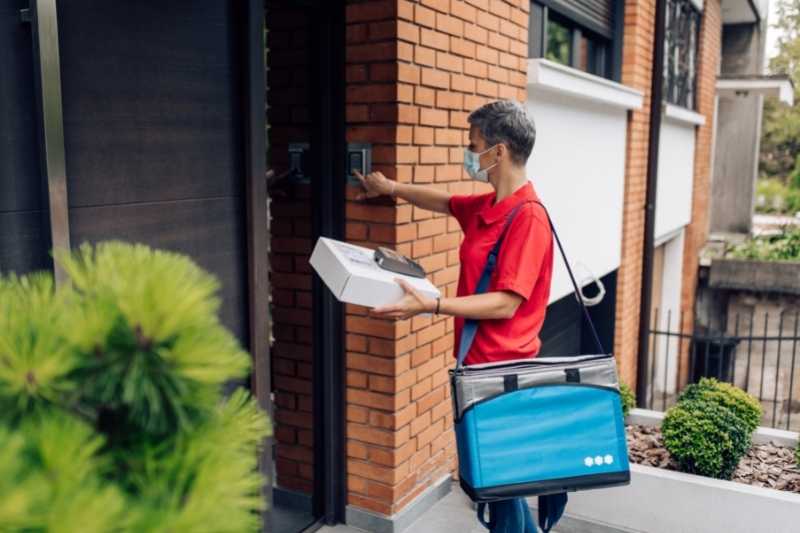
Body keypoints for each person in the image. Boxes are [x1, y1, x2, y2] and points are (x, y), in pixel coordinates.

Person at [353, 100, 553, 532]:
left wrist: (433, 305)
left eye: (472, 145)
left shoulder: (528, 216)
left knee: (502, 488)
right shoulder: (487, 208)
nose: (468, 153)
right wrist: (390, 188)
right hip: (476, 369)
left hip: (502, 375)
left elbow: (505, 302)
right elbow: (444, 202)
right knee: (496, 488)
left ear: (497, 152)